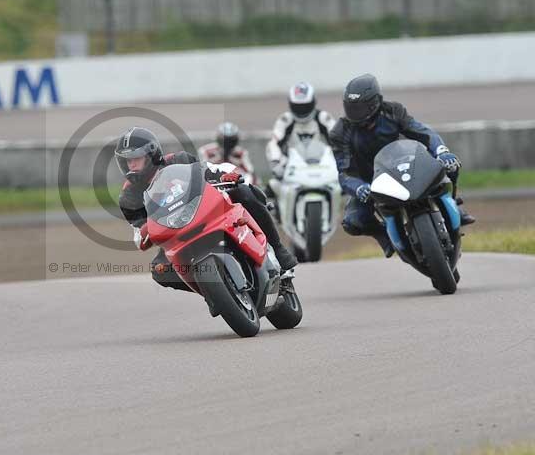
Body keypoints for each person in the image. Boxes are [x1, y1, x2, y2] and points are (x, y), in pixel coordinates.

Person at [115, 127, 297, 293]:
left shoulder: (179, 160)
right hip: (176, 234)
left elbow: (207, 169)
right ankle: (213, 292)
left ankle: (278, 248)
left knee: (244, 191)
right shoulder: (128, 196)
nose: (131, 165)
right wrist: (143, 232)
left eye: (136, 158)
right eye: (127, 160)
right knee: (159, 271)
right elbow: (139, 233)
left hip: (206, 210)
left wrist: (225, 175)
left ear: (151, 154)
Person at [330, 73, 475, 257]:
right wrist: (359, 188)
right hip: (371, 183)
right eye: (351, 107)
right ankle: (385, 237)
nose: (354, 113)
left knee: (449, 165)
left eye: (359, 107)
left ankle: (454, 204)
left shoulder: (393, 111)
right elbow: (344, 173)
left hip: (406, 166)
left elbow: (423, 132)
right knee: (352, 221)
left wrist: (442, 151)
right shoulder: (340, 132)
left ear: (375, 102)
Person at [265, 82, 336, 197]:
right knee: (270, 189)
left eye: (305, 106)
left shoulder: (323, 118)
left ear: (313, 102)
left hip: (322, 166)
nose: (302, 110)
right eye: (298, 106)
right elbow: (273, 143)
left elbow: (338, 142)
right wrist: (276, 163)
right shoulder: (285, 120)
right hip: (292, 168)